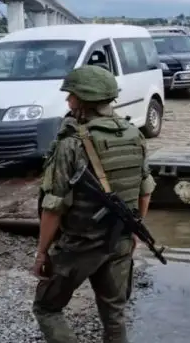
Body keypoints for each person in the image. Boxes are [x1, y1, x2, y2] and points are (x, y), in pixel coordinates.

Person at [32, 65, 156, 343]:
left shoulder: (71, 143)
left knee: (46, 308)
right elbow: (145, 191)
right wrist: (135, 230)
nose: (68, 101)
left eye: (71, 96)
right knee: (114, 314)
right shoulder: (134, 135)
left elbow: (53, 206)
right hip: (119, 241)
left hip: (79, 244)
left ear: (84, 100)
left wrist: (41, 253)